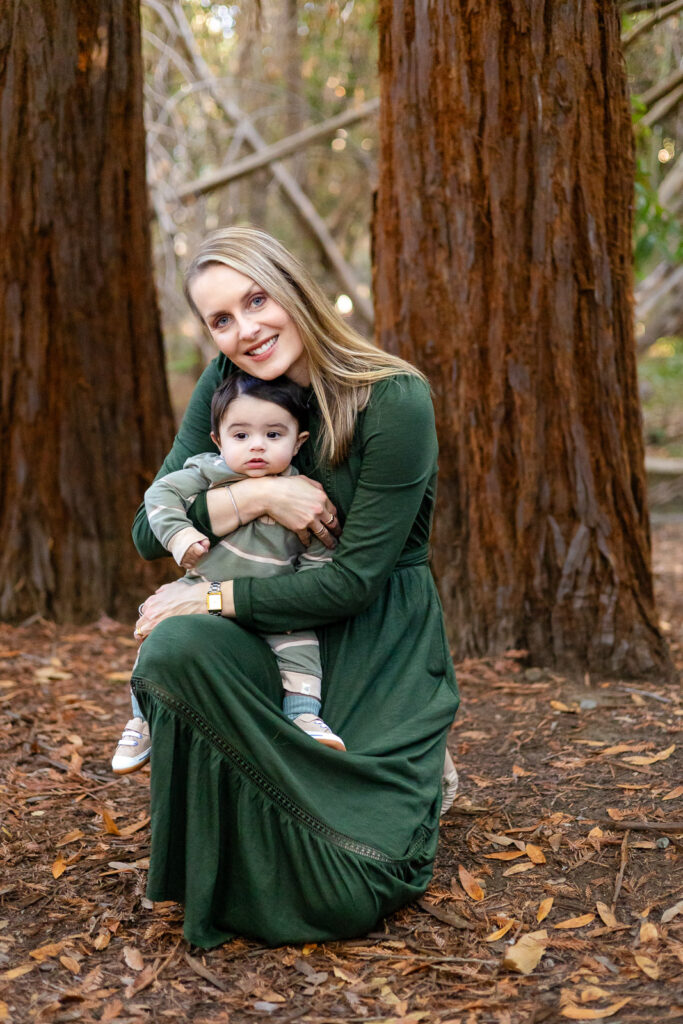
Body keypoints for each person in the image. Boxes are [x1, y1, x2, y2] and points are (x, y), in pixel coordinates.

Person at [131, 226, 460, 948]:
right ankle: (226, 846)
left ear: (292, 286)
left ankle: (409, 773)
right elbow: (146, 528)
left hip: (372, 641)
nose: (246, 330)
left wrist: (212, 594)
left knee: (347, 890)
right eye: (221, 319)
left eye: (256, 299)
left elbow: (353, 582)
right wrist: (259, 499)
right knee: (175, 649)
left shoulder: (392, 400)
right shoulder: (225, 392)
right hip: (269, 631)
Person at [112, 373, 344, 775]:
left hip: (270, 598)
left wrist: (306, 581)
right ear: (218, 440)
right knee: (159, 635)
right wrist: (181, 534)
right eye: (240, 436)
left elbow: (318, 549)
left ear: (298, 442)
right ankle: (143, 718)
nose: (256, 445)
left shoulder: (305, 492)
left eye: (273, 434)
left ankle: (303, 715)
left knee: (301, 648)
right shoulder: (209, 472)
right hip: (202, 587)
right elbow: (160, 495)